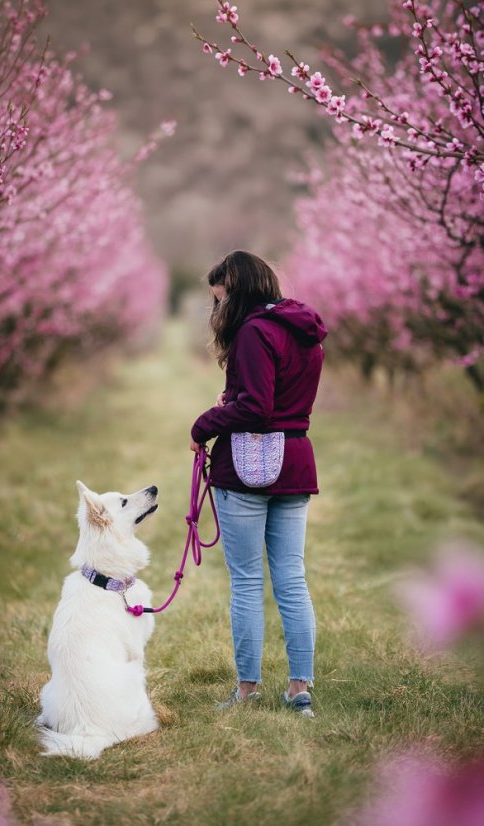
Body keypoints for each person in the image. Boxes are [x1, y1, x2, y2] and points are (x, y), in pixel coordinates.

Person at [190, 250, 327, 716]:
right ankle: (299, 687)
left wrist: (203, 425)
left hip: (249, 466)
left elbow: (256, 408)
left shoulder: (253, 331)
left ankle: (247, 690)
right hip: (295, 460)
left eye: (221, 299)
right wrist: (234, 396)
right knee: (292, 578)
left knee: (248, 581)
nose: (218, 309)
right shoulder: (304, 331)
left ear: (240, 291)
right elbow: (277, 396)